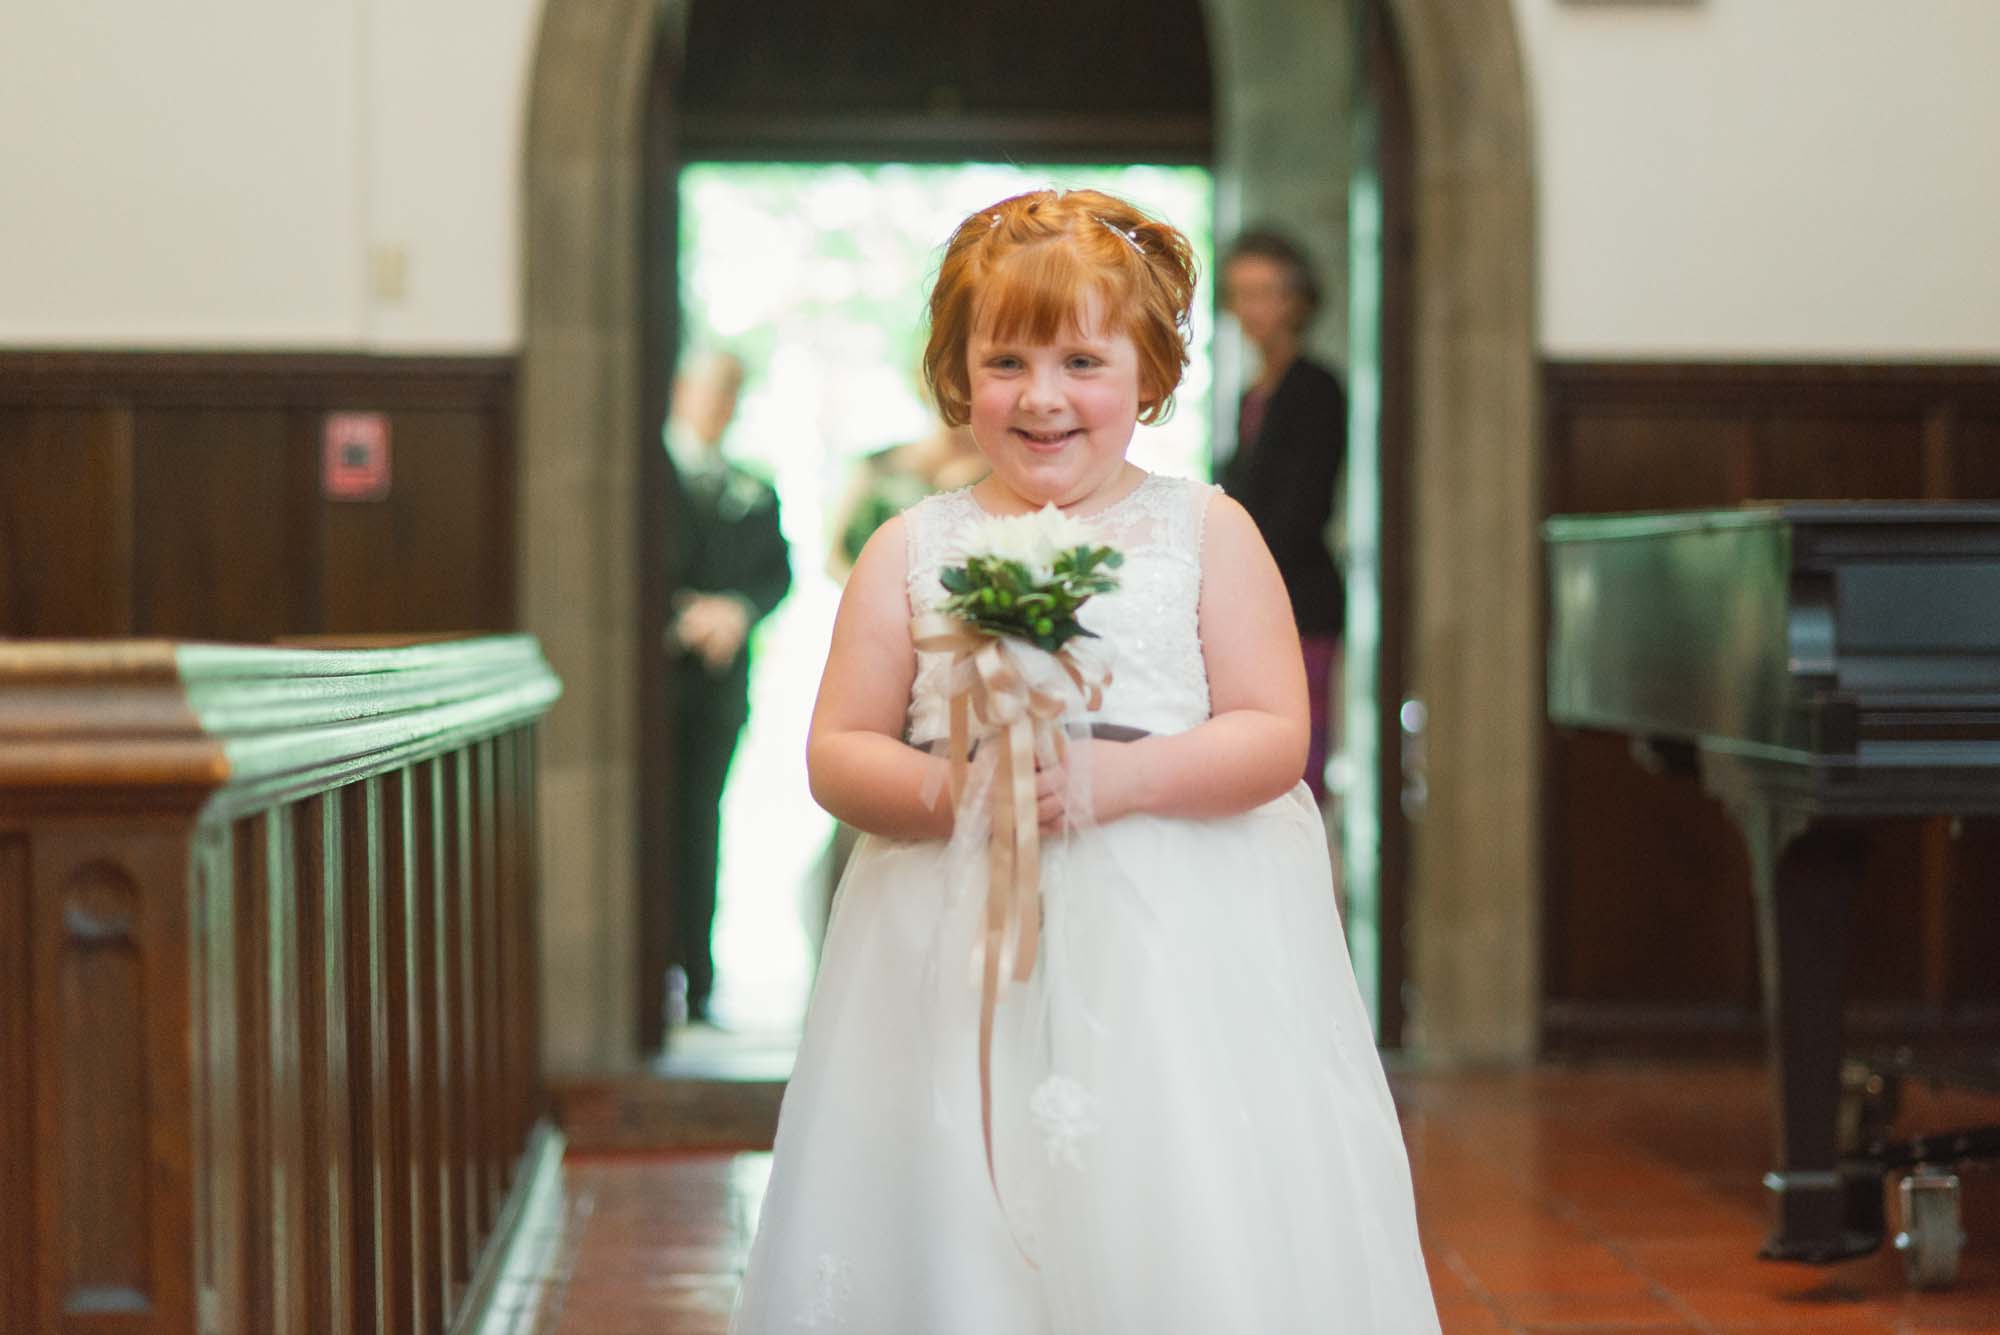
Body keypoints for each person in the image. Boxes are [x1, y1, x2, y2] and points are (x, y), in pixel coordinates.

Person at [728, 190, 1438, 1332]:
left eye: (1081, 360)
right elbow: (837, 752)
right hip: (949, 931)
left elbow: (1271, 732)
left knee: (1165, 1180)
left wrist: (1121, 781)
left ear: (1148, 374)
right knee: (963, 1178)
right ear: (956, 376)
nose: (1042, 395)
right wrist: (955, 792)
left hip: (1174, 932)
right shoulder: (909, 548)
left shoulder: (1208, 531)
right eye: (1004, 360)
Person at [658, 350, 791, 1040]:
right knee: (649, 828)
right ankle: (651, 974)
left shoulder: (753, 486)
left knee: (702, 825)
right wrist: (675, 615)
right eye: (712, 390)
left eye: (732, 394)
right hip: (651, 689)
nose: (721, 405)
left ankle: (700, 979)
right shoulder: (643, 475)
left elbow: (778, 572)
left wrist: (737, 609)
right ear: (683, 389)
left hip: (717, 692)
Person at [1218, 230, 1347, 803]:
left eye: (1266, 292)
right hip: (1254, 595)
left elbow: (1302, 509)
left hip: (1300, 596)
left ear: (1297, 300)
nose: (1253, 309)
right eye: (1241, 293)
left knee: (1297, 757)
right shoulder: (1249, 394)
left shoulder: (1315, 387)